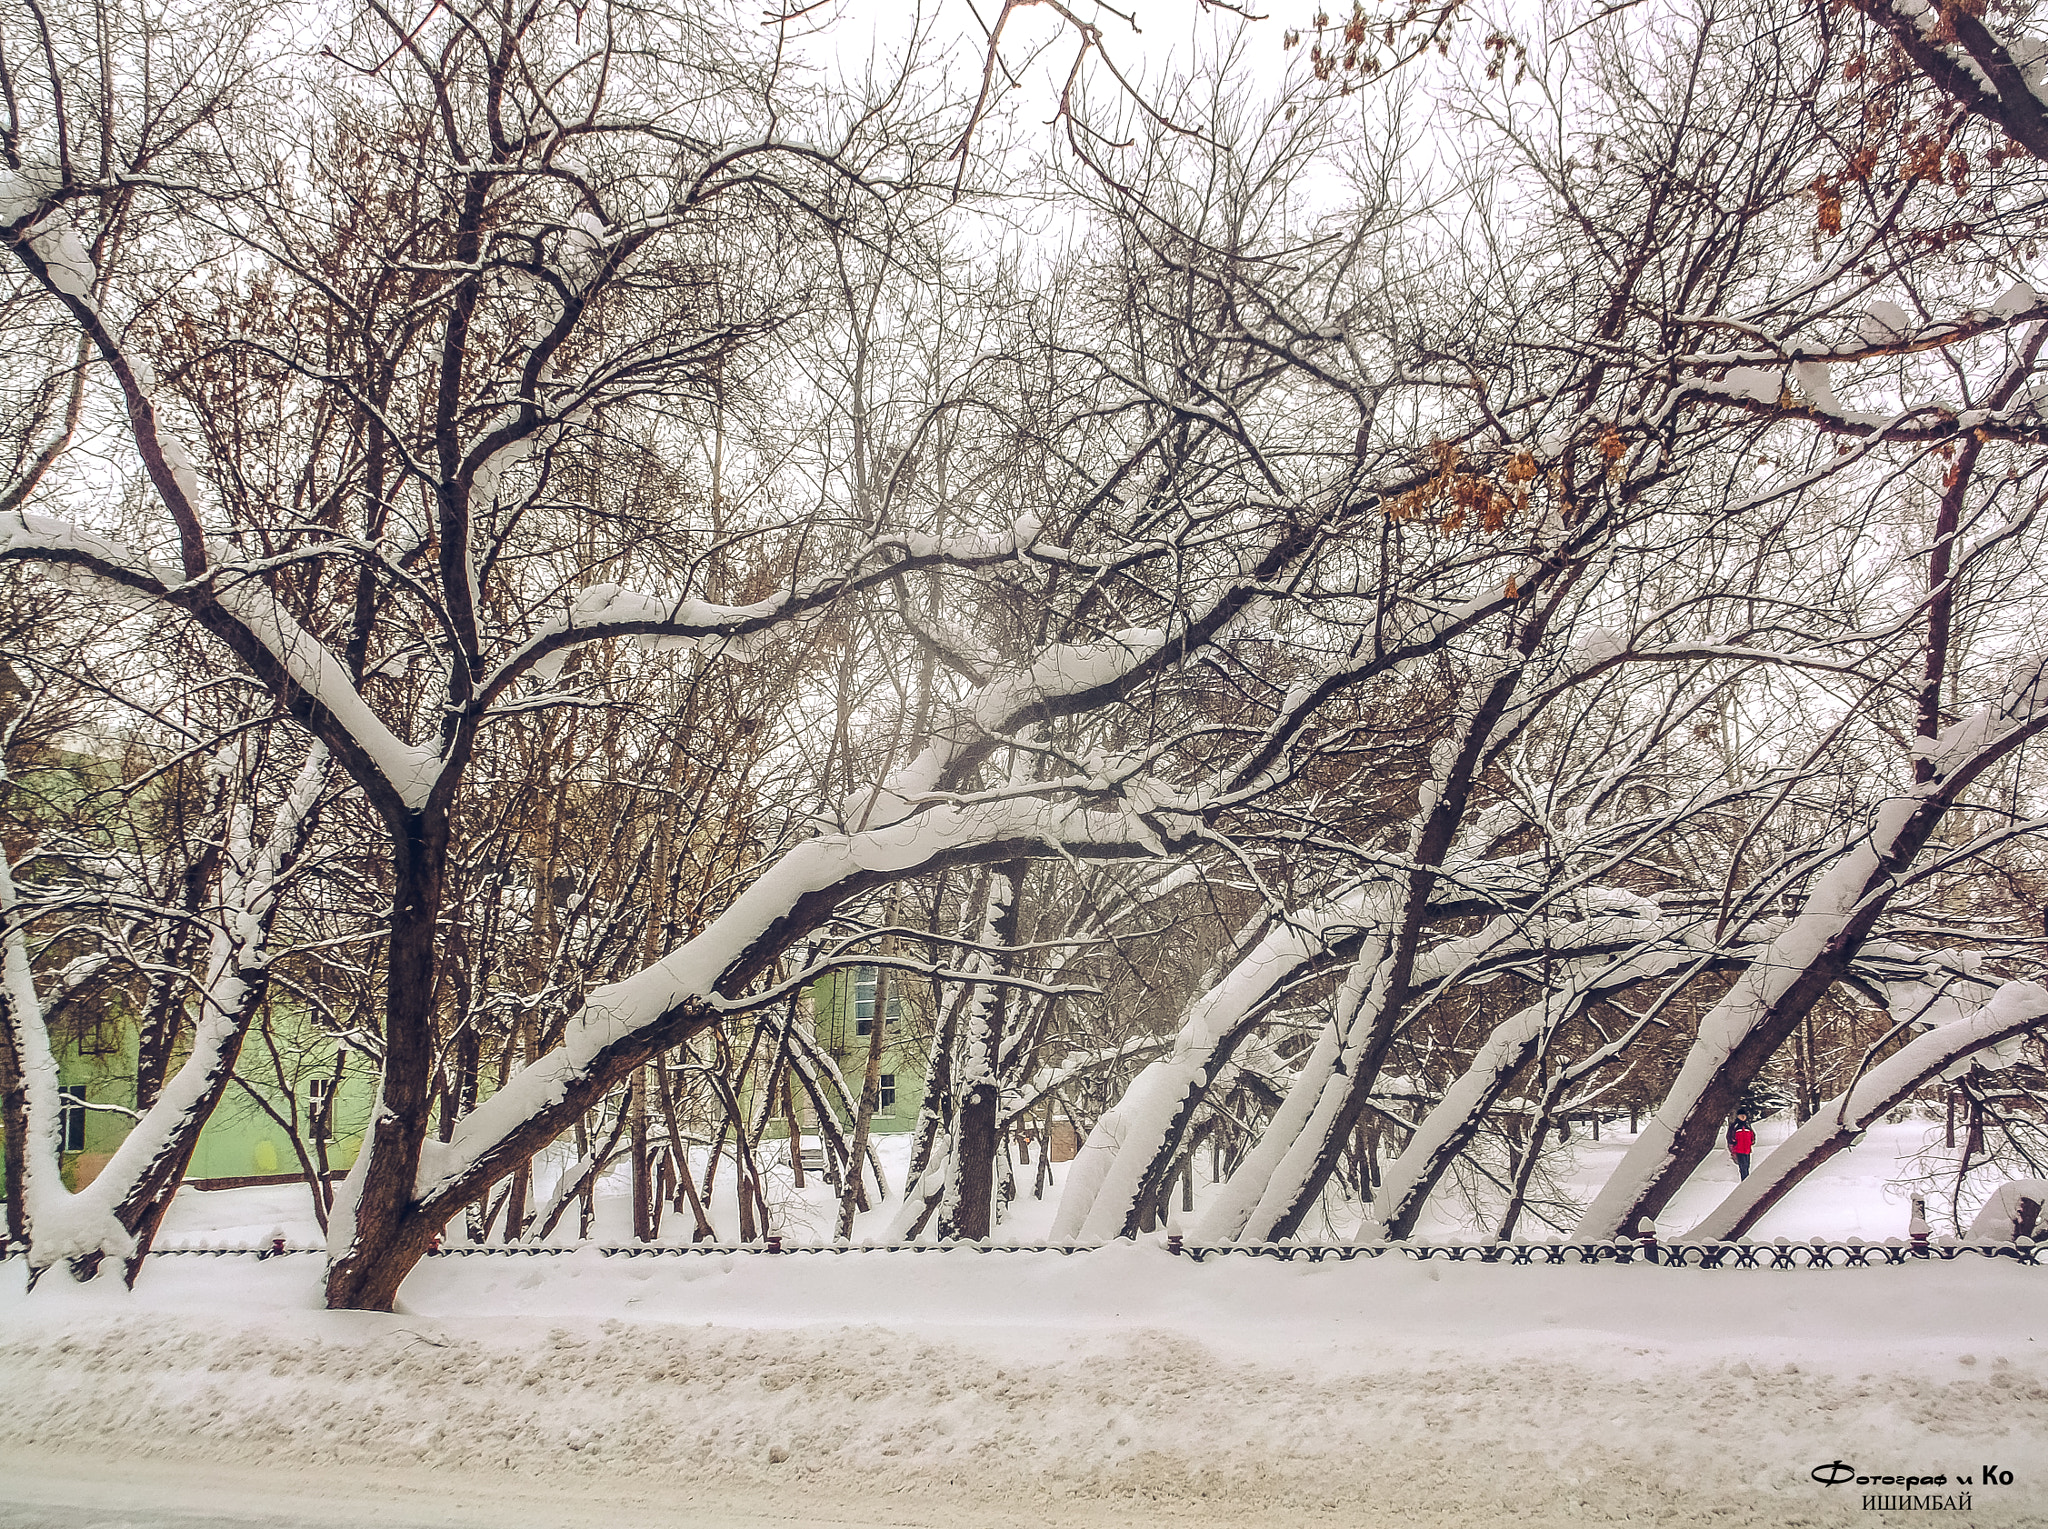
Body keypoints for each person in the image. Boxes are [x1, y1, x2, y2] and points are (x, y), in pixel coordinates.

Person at [1728, 1114, 1755, 1180]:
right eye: (1741, 1115)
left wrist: (1750, 1143)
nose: (1743, 1117)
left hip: (1747, 1150)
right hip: (1739, 1150)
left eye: (1744, 1115)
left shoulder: (1747, 1126)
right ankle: (1744, 1181)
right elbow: (1731, 1138)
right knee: (1743, 1167)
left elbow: (1753, 1137)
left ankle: (1747, 1181)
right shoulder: (1735, 1126)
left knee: (1747, 1166)